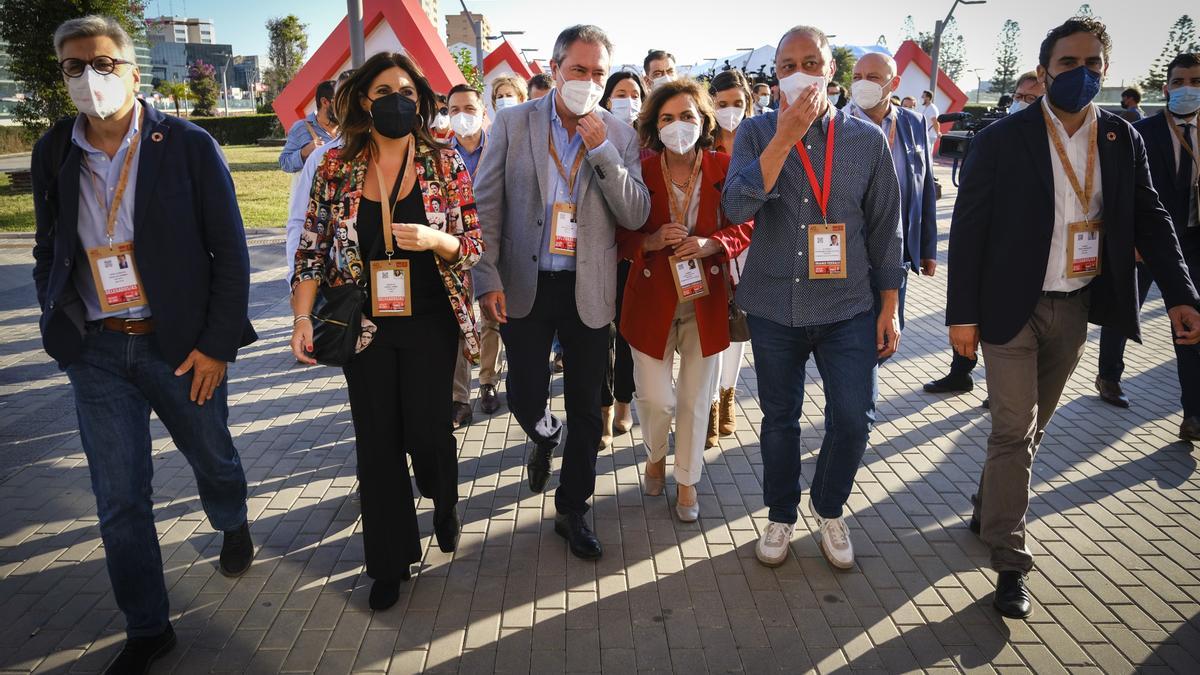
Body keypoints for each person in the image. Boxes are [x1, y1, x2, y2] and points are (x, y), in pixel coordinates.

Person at [946, 19, 1200, 620]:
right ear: (1045, 70)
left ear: (1106, 71)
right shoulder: (1005, 139)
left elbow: (1149, 214)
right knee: (1012, 428)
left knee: (1030, 432)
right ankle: (1010, 563)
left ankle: (989, 504)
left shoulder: (1120, 137)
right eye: (1068, 64)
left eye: (1093, 64)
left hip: (1078, 305)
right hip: (1011, 307)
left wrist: (1183, 294)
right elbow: (969, 228)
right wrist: (961, 318)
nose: (1080, 74)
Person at [32, 16, 257, 673]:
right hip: (98, 349)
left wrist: (217, 345)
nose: (88, 79)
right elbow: (51, 245)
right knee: (120, 497)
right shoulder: (54, 151)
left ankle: (232, 515)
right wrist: (58, 318)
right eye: (74, 67)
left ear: (133, 72)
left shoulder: (185, 143)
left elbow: (232, 252)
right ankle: (148, 626)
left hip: (180, 344)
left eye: (101, 64)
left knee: (213, 455)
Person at [290, 52, 484, 611]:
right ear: (361, 100)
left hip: (430, 320)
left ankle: (443, 500)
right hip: (364, 323)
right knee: (377, 442)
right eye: (381, 90)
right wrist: (302, 318)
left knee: (427, 433)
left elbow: (472, 246)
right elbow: (312, 248)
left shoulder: (445, 163)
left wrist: (435, 240)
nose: (394, 98)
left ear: (420, 100)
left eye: (405, 89)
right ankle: (388, 561)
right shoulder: (335, 165)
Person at [723, 25, 904, 571]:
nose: (798, 72)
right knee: (780, 418)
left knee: (853, 416)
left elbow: (884, 227)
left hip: (848, 304)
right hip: (776, 304)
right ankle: (781, 514)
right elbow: (734, 208)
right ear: (775, 75)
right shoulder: (755, 134)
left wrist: (890, 306)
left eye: (810, 61)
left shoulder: (865, 139)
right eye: (785, 65)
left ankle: (829, 507)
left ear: (831, 70)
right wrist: (783, 138)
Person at [472, 25, 650, 560]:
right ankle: (544, 436)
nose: (589, 81)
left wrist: (602, 152)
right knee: (525, 395)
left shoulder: (619, 136)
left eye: (599, 73)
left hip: (589, 286)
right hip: (525, 285)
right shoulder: (512, 121)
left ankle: (574, 509)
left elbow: (636, 212)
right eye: (579, 70)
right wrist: (486, 276)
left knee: (587, 411)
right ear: (555, 70)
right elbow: (486, 205)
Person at [621, 79, 753, 521]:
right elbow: (617, 233)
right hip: (650, 299)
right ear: (654, 126)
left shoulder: (724, 166)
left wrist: (714, 243)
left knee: (697, 399)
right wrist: (651, 240)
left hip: (706, 300)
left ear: (704, 122)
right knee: (658, 399)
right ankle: (655, 453)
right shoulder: (638, 168)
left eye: (688, 117)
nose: (678, 126)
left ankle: (688, 481)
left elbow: (749, 224)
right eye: (667, 118)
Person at [1095, 53, 1200, 438]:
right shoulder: (1143, 132)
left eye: (1197, 81)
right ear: (1166, 87)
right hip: (1145, 242)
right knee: (1124, 311)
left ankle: (1193, 413)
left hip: (1191, 243)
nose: (1189, 88)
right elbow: (1125, 192)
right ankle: (1109, 376)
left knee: (1189, 320)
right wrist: (1130, 239)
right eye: (1181, 80)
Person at [926, 70, 1046, 395]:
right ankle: (961, 371)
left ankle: (1001, 390)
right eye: (1019, 97)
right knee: (971, 314)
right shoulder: (994, 137)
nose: (1022, 104)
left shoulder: (1050, 145)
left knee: (1008, 329)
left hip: (1023, 255)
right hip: (987, 249)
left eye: (1032, 99)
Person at [847, 53, 938, 349]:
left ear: (893, 83)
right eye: (857, 77)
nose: (863, 84)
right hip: (850, 255)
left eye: (872, 78)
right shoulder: (836, 125)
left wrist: (927, 247)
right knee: (852, 345)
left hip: (896, 255)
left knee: (885, 339)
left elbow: (924, 188)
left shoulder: (914, 124)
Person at [598, 70, 648, 441]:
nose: (626, 100)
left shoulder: (651, 143)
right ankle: (600, 409)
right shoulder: (596, 135)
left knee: (628, 336)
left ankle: (624, 404)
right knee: (599, 336)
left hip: (636, 256)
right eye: (619, 93)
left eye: (634, 94)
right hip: (599, 254)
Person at [708, 69, 755, 441]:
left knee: (737, 327)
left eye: (737, 104)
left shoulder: (758, 141)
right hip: (707, 247)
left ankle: (727, 395)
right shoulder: (700, 141)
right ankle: (706, 401)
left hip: (748, 246)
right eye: (722, 104)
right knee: (707, 326)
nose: (730, 111)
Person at [446, 83, 489, 427]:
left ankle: (489, 380)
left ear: (483, 112)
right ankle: (460, 398)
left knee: (495, 321)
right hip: (456, 253)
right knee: (460, 323)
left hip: (496, 249)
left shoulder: (501, 149)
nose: (463, 117)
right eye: (455, 110)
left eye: (470, 109)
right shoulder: (439, 156)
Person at [279, 79, 338, 173]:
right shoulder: (301, 127)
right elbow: (284, 163)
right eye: (340, 101)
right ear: (325, 102)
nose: (346, 107)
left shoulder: (349, 128)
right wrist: (304, 152)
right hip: (316, 187)